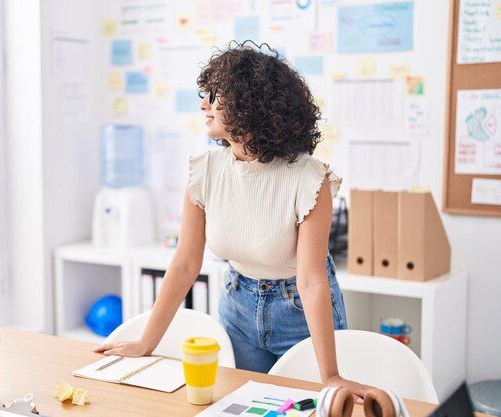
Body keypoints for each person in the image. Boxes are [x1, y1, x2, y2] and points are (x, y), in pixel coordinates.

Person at [94, 41, 371, 401]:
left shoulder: (309, 179)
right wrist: (146, 342)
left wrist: (331, 375)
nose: (203, 105)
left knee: (309, 407)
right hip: (238, 305)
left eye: (214, 95)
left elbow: (312, 280)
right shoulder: (204, 171)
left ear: (249, 105)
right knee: (245, 406)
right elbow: (184, 263)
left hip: (300, 313)